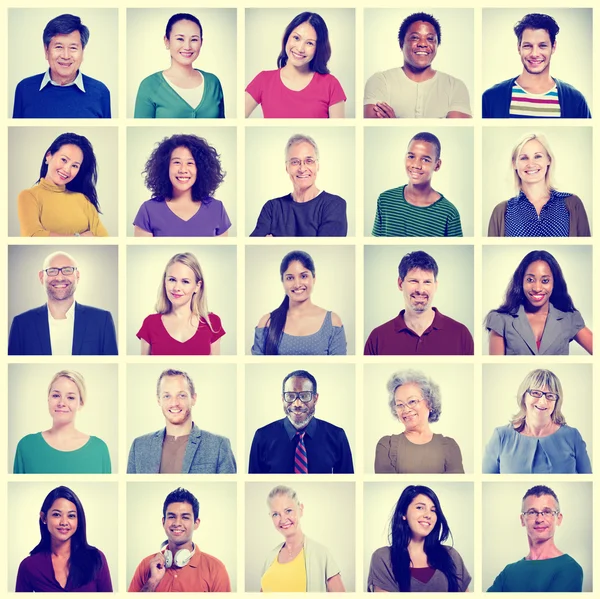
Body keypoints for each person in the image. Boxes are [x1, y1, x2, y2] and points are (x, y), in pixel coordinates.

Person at [8, 251, 118, 356]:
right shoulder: (21, 324)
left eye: (67, 270)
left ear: (77, 276)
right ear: (41, 277)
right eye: (52, 271)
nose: (60, 277)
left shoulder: (102, 320)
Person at [364, 12, 471, 119]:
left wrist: (395, 121)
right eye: (415, 37)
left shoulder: (455, 87)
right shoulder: (381, 81)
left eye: (430, 38)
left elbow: (454, 126)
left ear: (437, 45)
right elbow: (373, 120)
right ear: (401, 43)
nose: (423, 44)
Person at [482, 13, 591, 118]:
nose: (534, 54)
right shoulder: (491, 98)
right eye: (527, 46)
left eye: (542, 46)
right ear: (518, 48)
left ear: (553, 47)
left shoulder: (576, 101)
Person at [364, 251, 473, 355]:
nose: (420, 290)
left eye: (427, 282)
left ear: (435, 285)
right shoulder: (378, 337)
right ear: (400, 283)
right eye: (413, 281)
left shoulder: (461, 334)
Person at [128, 368, 236, 473]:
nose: (174, 403)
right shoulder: (139, 446)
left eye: (182, 395)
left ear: (193, 398)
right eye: (167, 396)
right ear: (158, 400)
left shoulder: (219, 446)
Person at [485, 250, 593, 355]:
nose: (537, 288)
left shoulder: (570, 318)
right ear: (521, 281)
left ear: (554, 283)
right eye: (530, 280)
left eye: (545, 281)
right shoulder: (500, 319)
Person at [483, 369, 591, 474]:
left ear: (557, 401)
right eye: (536, 393)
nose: (543, 402)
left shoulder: (572, 436)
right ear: (524, 395)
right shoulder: (501, 436)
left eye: (550, 396)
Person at [368, 485, 471, 591]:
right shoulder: (383, 557)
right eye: (420, 507)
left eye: (433, 510)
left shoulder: (451, 555)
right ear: (404, 513)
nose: (428, 515)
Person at [249, 369, 353, 473]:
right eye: (290, 396)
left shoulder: (337, 436)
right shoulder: (262, 437)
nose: (297, 404)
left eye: (304, 396)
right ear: (282, 399)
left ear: (315, 398)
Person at [128, 488, 231, 592]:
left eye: (185, 517)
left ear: (196, 523)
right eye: (172, 516)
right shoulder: (146, 565)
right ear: (163, 522)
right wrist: (153, 581)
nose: (177, 523)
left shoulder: (216, 569)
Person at [245, 12, 346, 118]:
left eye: (310, 43)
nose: (300, 49)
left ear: (318, 49)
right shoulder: (263, 80)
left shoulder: (331, 85)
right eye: (296, 38)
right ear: (287, 37)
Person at [488, 133, 590, 236]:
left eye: (537, 156)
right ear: (514, 163)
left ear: (548, 160)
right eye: (523, 158)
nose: (531, 164)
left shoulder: (572, 204)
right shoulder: (502, 211)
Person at [16, 486, 113, 592]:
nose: (64, 522)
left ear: (78, 520)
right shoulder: (28, 566)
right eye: (56, 514)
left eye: (71, 516)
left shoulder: (96, 558)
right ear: (44, 518)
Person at [487, 485, 583, 591]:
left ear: (558, 519)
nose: (539, 519)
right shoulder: (508, 571)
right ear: (522, 519)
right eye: (532, 512)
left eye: (547, 512)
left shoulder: (570, 569)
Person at [13, 14, 111, 118]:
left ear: (82, 51)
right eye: (59, 47)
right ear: (46, 50)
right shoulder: (24, 89)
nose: (66, 56)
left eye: (73, 48)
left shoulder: (100, 92)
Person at [14, 370, 111, 474]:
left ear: (81, 403)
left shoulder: (99, 450)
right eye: (56, 396)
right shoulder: (26, 446)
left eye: (70, 397)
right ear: (48, 399)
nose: (61, 403)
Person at [251, 250, 346, 355]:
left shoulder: (332, 322)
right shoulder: (266, 322)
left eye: (303, 276)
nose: (297, 284)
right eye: (290, 278)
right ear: (283, 281)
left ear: (314, 278)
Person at [133, 134, 230, 237]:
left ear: (200, 169)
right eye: (177, 162)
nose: (183, 170)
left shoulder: (217, 209)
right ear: (166, 167)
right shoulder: (148, 210)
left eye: (190, 163)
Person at [250, 134, 347, 237]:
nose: (302, 169)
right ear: (287, 167)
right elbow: (252, 246)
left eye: (309, 161)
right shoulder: (272, 208)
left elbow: (323, 249)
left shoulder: (334, 205)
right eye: (295, 162)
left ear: (317, 166)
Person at [372, 132, 462, 237]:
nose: (416, 165)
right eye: (411, 156)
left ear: (437, 165)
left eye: (425, 160)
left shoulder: (449, 213)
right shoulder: (385, 200)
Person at [135, 13, 224, 118]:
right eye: (180, 39)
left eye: (194, 39)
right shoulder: (149, 85)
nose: (187, 46)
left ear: (201, 42)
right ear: (167, 41)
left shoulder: (213, 82)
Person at [18, 132, 108, 237]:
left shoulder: (83, 200)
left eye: (75, 166)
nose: (67, 170)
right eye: (64, 160)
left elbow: (104, 238)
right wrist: (80, 237)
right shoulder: (29, 196)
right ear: (48, 156)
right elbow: (32, 236)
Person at [375, 370, 463, 474]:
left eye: (412, 401)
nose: (406, 410)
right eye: (400, 404)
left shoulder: (450, 446)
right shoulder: (386, 446)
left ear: (429, 403)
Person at [137, 252, 225, 355]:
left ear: (197, 286)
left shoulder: (212, 323)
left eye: (185, 281)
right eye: (172, 280)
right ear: (165, 282)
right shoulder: (150, 323)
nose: (176, 288)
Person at [261, 485, 346, 592]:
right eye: (276, 514)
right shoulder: (270, 557)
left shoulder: (321, 554)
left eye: (288, 511)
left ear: (300, 510)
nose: (283, 519)